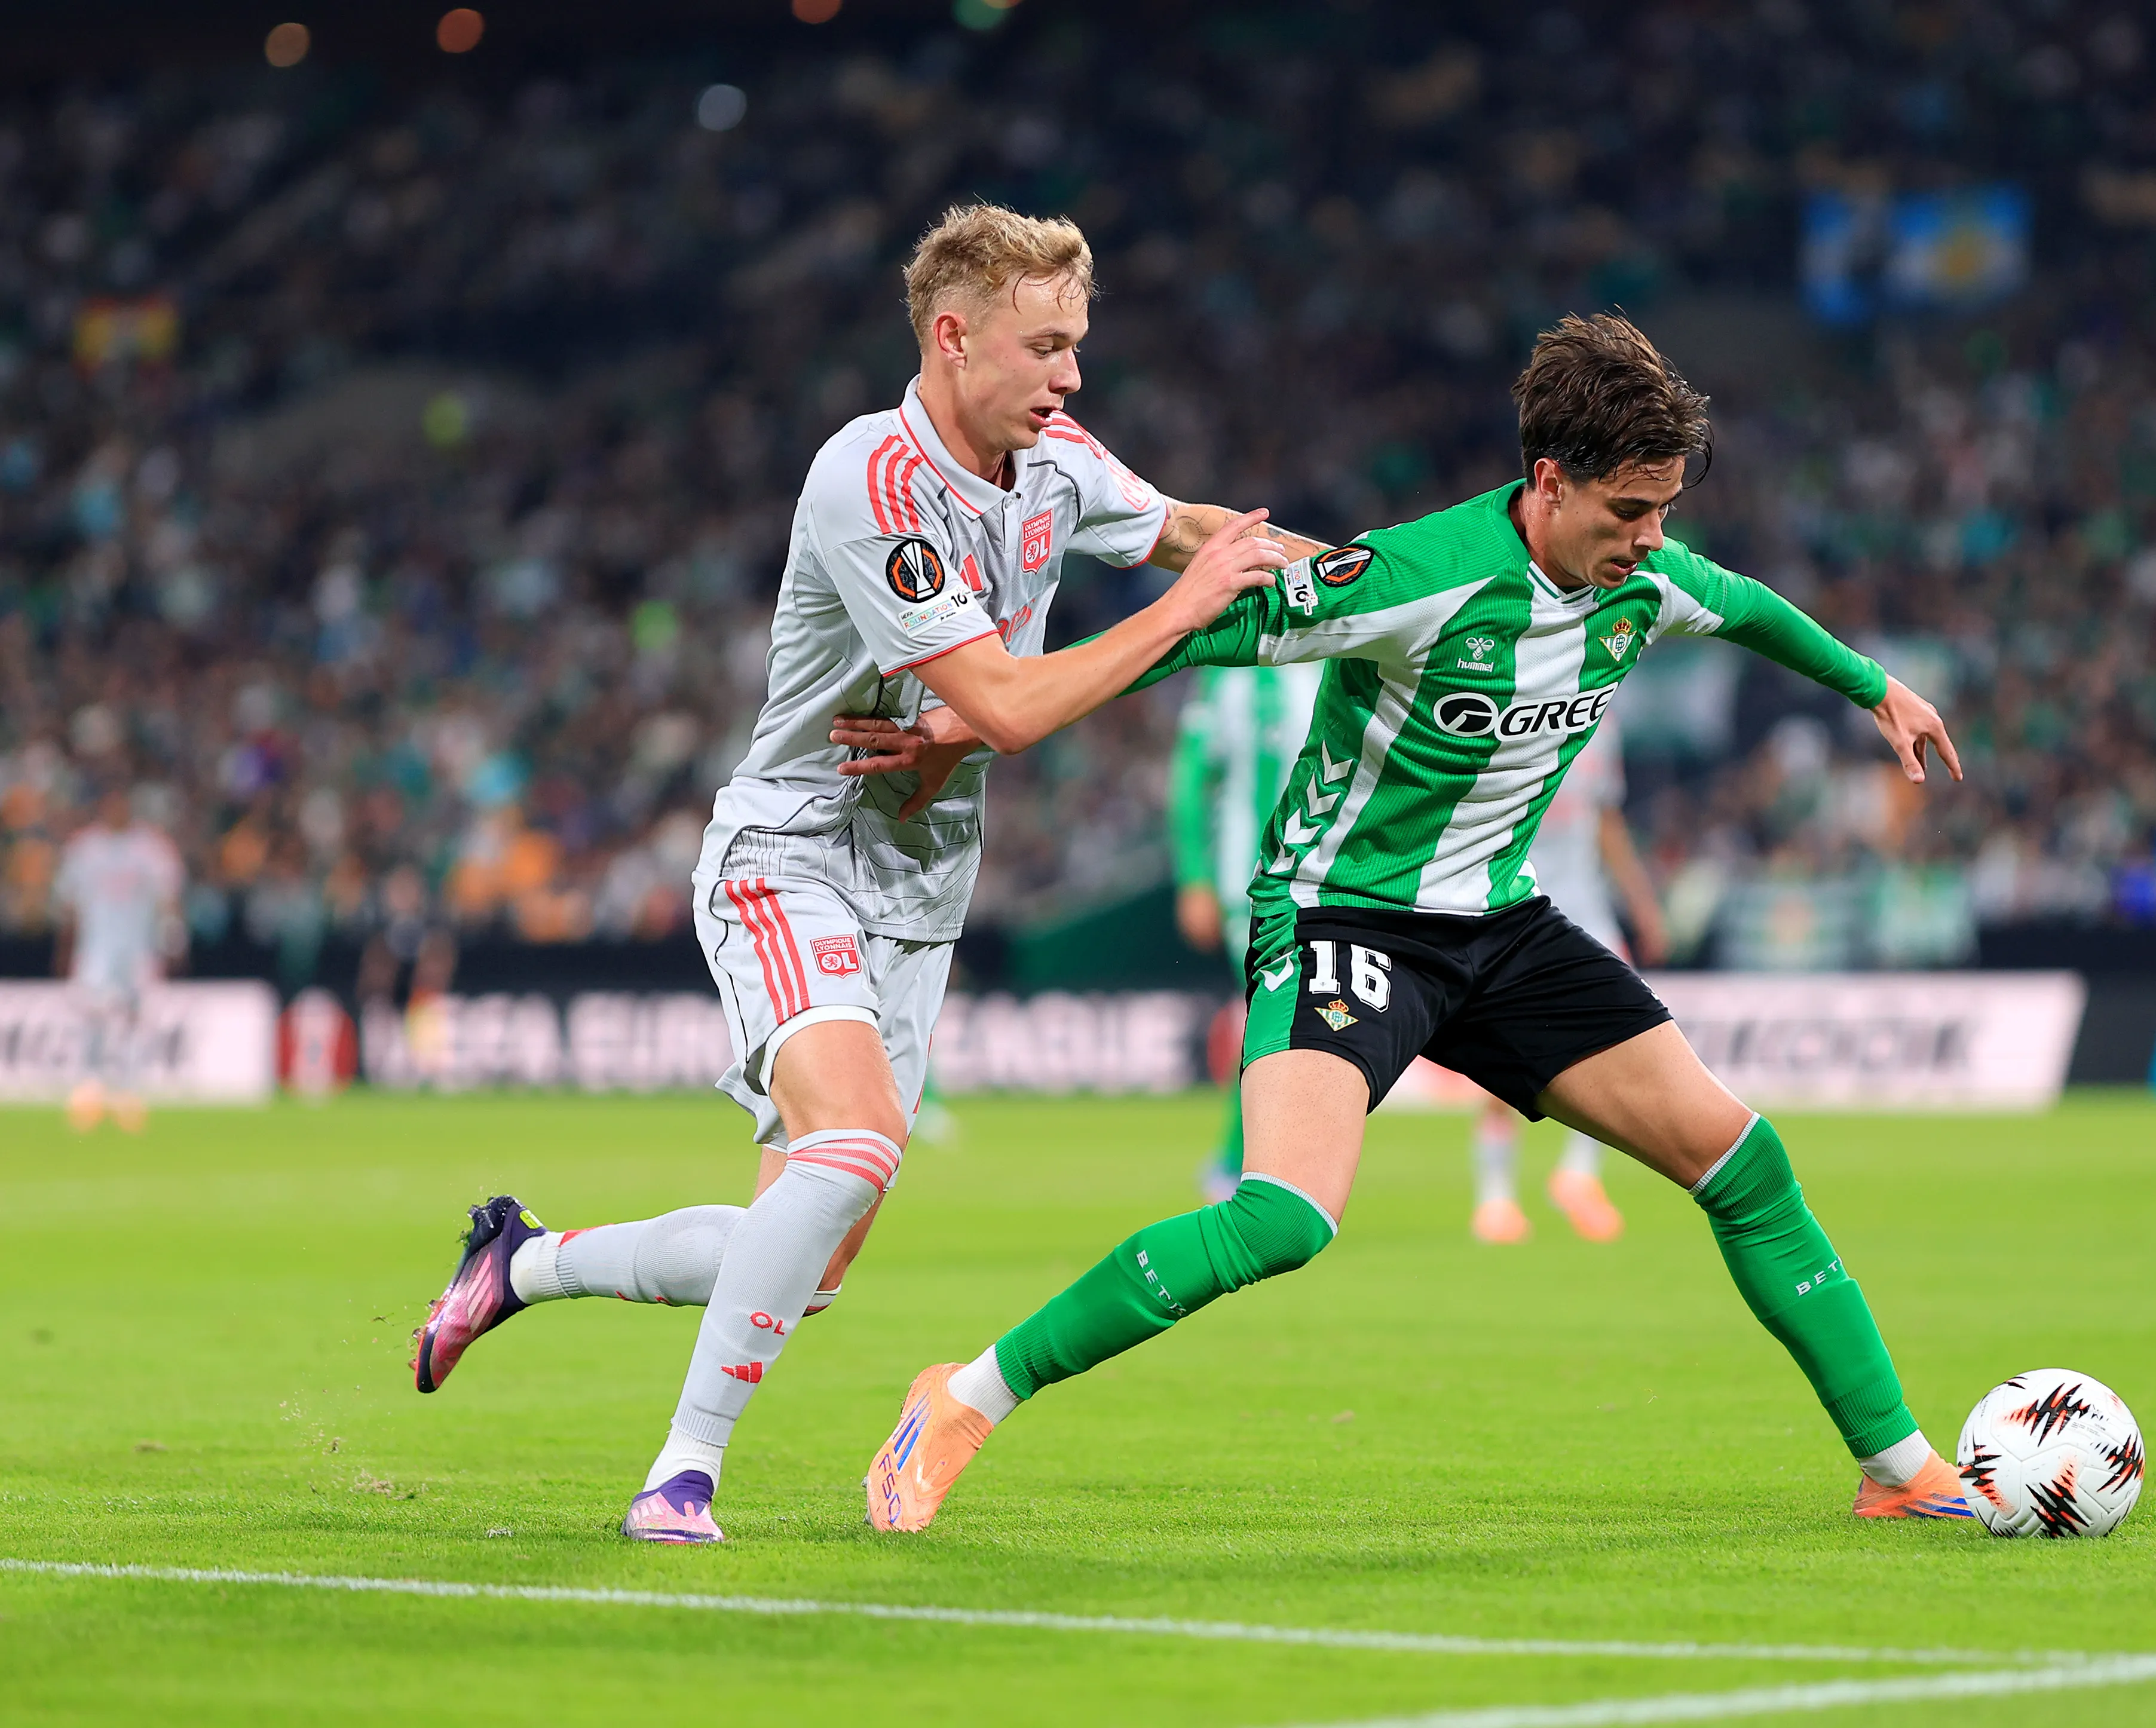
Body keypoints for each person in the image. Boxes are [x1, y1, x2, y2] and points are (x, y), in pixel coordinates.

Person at [856, 313, 1976, 1534]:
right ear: (1548, 483)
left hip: (1499, 921)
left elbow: (1753, 609)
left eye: (1663, 512)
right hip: (1345, 917)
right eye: (1626, 512)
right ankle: (964, 1397)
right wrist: (978, 716)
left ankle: (1900, 1467)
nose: (1652, 540)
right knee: (1282, 1217)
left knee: (1744, 1166)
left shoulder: (1646, 578)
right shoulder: (1411, 578)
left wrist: (1877, 688)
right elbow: (1188, 635)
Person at [406, 204, 1315, 1544]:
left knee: (812, 1258)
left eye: (1077, 345)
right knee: (855, 1142)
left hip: (920, 891)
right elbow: (1003, 706)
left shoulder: (1050, 456)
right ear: (955, 339)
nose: (1072, 377)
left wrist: (1402, 586)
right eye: (1045, 347)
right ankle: (680, 1477)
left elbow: (1187, 531)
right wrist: (1184, 610)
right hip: (792, 852)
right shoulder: (871, 480)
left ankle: (521, 1263)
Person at [1467, 715, 1670, 1245]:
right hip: (1513, 904)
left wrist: (1640, 903)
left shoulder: (1604, 719)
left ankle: (1578, 1176)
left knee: (1621, 1044)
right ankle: (1495, 1197)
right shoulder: (1509, 705)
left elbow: (1606, 820)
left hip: (1585, 907)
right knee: (1501, 1052)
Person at [1168, 659, 1326, 1202]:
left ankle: (1254, 1162)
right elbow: (1191, 776)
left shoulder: (1344, 658)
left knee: (1296, 1022)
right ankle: (1239, 1166)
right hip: (1254, 884)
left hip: (1332, 883)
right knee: (1273, 1015)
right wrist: (1194, 876)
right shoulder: (1230, 673)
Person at [51, 783, 184, 1133]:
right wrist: (65, 948)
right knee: (92, 1015)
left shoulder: (151, 850)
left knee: (135, 1018)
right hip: (96, 948)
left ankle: (127, 1091)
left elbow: (167, 899)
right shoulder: (85, 849)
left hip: (139, 949)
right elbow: (69, 903)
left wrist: (172, 938)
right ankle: (89, 1088)